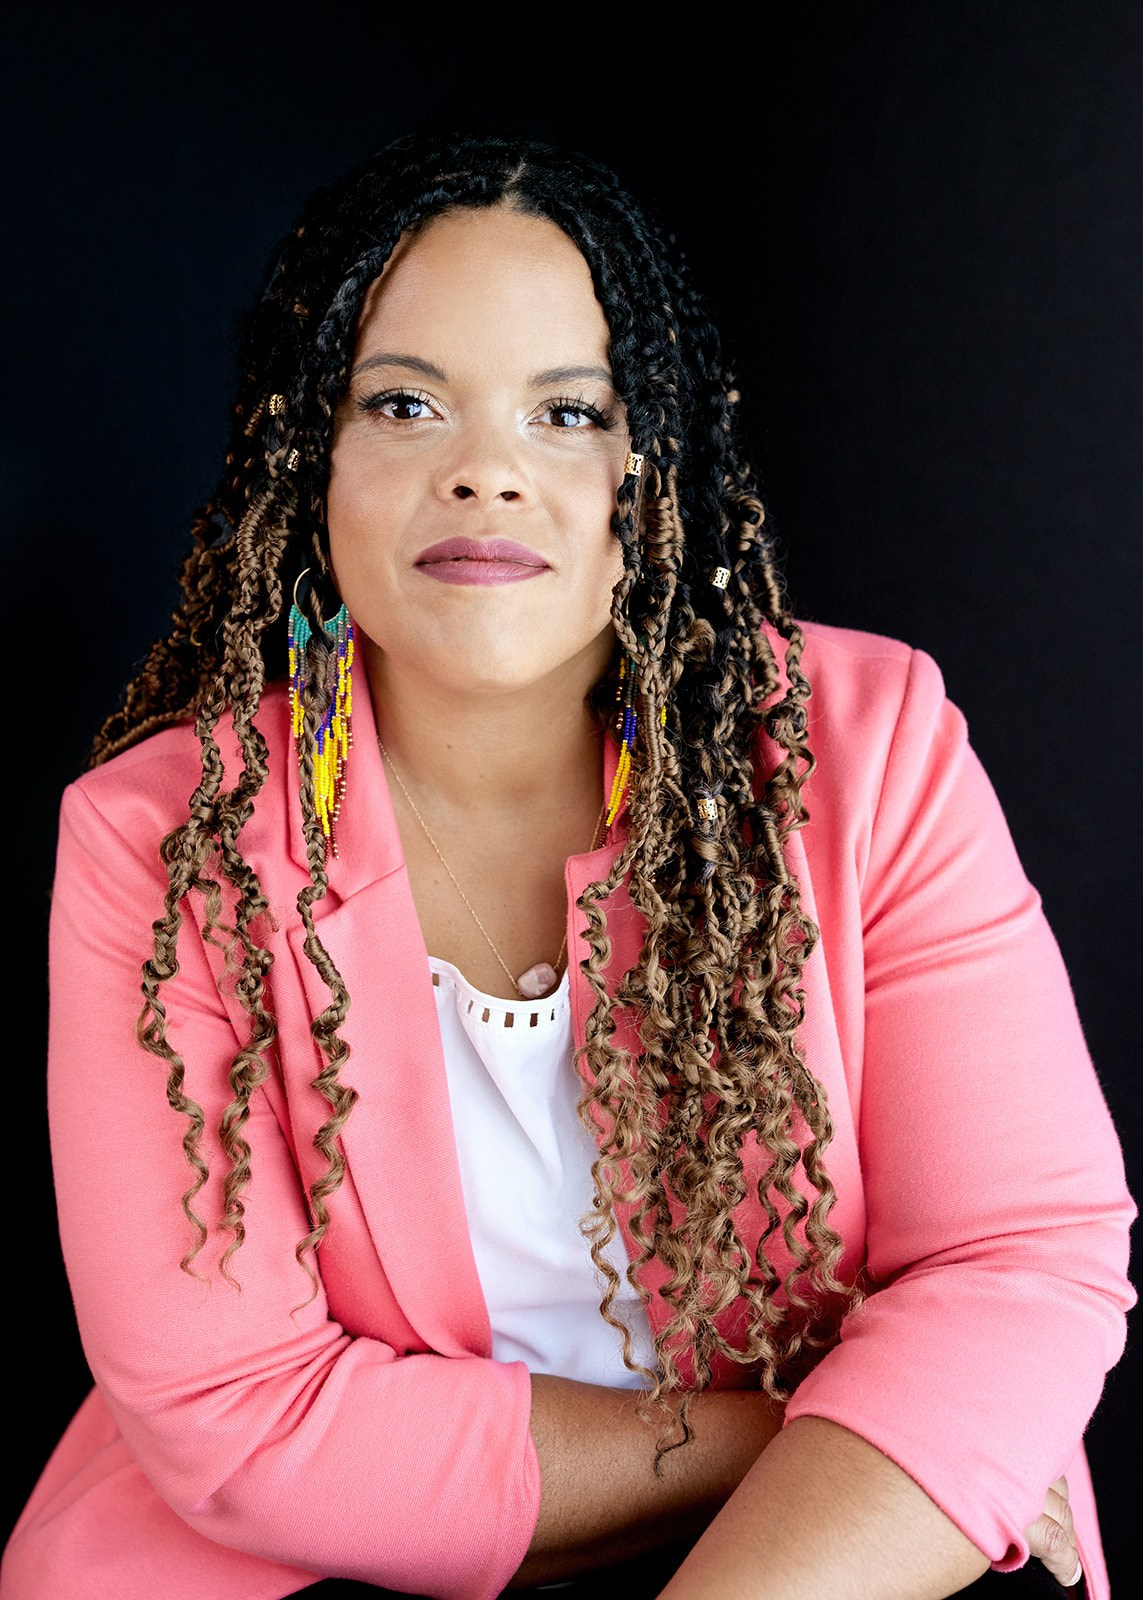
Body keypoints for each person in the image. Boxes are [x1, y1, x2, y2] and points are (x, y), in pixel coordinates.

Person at [1, 125, 1134, 1600]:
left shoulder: (866, 749)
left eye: (568, 412)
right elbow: (243, 1420)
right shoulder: (163, 839)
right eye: (403, 403)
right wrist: (792, 1432)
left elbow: (1018, 1261)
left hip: (820, 1548)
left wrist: (826, 1491)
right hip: (317, 1557)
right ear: (309, 463)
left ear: (655, 472)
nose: (485, 473)